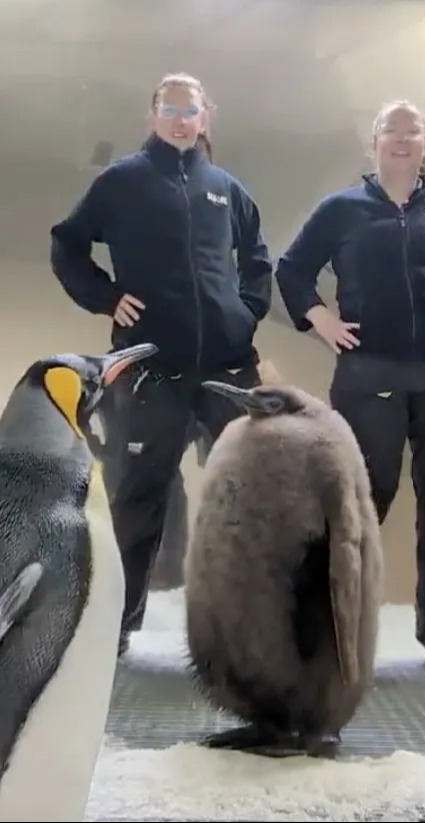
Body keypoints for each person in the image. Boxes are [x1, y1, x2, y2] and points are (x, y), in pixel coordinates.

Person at [274, 99, 425, 678]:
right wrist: (317, 318)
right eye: (391, 131)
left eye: (412, 131)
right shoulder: (342, 209)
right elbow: (292, 270)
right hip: (368, 371)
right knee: (356, 504)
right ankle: (336, 632)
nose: (402, 140)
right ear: (373, 143)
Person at [50, 72, 273, 653]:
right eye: (169, 108)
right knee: (139, 496)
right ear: (153, 116)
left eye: (190, 109)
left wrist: (245, 314)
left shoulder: (226, 188)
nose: (179, 118)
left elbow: (257, 258)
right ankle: (116, 628)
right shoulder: (121, 182)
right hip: (151, 367)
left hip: (227, 368)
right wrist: (105, 296)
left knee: (247, 493)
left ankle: (244, 625)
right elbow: (67, 243)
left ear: (205, 119)